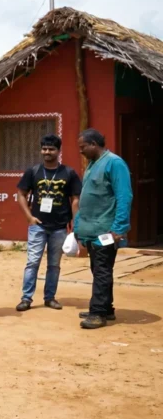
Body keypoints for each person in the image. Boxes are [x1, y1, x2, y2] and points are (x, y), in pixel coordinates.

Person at [15, 134, 82, 312]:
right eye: (44, 148)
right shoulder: (33, 171)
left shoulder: (68, 173)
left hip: (60, 226)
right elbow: (21, 194)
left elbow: (76, 199)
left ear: (58, 151)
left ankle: (50, 298)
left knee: (54, 264)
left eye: (51, 149)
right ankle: (26, 298)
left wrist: (76, 222)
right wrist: (29, 217)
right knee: (32, 262)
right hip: (38, 225)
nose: (47, 152)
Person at [74, 128, 132, 330]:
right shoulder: (92, 165)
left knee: (102, 271)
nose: (80, 151)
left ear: (93, 144)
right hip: (91, 229)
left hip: (106, 231)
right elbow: (86, 198)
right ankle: (106, 308)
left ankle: (98, 313)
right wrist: (78, 227)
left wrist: (119, 228)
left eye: (82, 147)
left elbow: (124, 196)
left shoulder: (114, 163)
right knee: (98, 270)